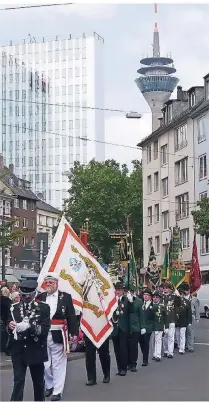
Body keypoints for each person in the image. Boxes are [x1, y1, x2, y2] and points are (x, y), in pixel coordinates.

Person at [8, 279, 50, 401]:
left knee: (38, 383)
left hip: (35, 349)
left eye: (28, 296)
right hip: (19, 350)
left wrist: (30, 326)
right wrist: (10, 326)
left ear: (34, 294)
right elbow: (8, 325)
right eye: (23, 295)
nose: (25, 298)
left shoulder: (43, 308)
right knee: (18, 381)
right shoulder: (13, 308)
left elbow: (44, 331)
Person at [38, 272, 78, 401]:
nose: (48, 284)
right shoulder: (40, 297)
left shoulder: (65, 297)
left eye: (51, 282)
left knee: (58, 364)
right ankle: (49, 385)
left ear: (56, 283)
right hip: (43, 334)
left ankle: (57, 390)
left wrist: (74, 334)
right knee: (45, 364)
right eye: (47, 282)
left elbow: (71, 316)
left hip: (58, 334)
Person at [139, 287, 154, 366]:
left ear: (150, 296)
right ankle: (144, 354)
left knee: (146, 342)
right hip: (141, 326)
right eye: (144, 295)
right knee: (141, 342)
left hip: (148, 327)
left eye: (147, 295)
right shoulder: (140, 304)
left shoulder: (152, 305)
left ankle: (145, 360)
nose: (145, 296)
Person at [183, 283, 200, 352]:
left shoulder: (194, 299)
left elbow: (197, 309)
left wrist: (197, 317)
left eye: (186, 290)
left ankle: (190, 346)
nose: (185, 291)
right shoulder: (181, 298)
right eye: (184, 290)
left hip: (191, 316)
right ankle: (185, 345)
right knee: (183, 332)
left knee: (190, 331)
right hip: (183, 316)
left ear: (189, 290)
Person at [175, 288, 192, 355]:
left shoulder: (187, 302)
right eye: (179, 293)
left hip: (184, 321)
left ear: (183, 294)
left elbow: (189, 313)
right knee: (177, 335)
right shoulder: (175, 302)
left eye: (181, 294)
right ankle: (179, 346)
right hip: (177, 321)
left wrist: (189, 321)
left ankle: (182, 349)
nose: (180, 295)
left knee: (182, 335)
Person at [163, 282, 177, 358]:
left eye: (167, 288)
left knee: (171, 337)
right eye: (164, 288)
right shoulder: (160, 297)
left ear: (170, 289)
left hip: (171, 319)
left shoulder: (173, 297)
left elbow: (180, 299)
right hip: (163, 320)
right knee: (165, 336)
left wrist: (175, 289)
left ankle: (170, 352)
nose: (165, 290)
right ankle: (165, 350)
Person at [152, 290, 166, 362]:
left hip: (159, 325)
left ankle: (158, 355)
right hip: (152, 326)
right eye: (154, 297)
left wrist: (165, 326)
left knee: (158, 340)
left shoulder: (162, 306)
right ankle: (154, 354)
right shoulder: (151, 305)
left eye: (156, 297)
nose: (155, 298)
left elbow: (165, 317)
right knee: (153, 341)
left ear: (159, 298)